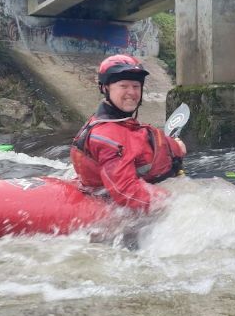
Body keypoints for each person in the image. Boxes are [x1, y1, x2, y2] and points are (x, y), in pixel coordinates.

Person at [70, 54, 187, 211]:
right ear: (105, 88)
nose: (131, 92)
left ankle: (175, 147)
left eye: (136, 86)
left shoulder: (116, 123)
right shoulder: (107, 137)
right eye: (124, 86)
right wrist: (178, 203)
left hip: (159, 172)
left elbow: (135, 141)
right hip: (131, 205)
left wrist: (175, 147)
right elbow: (126, 192)